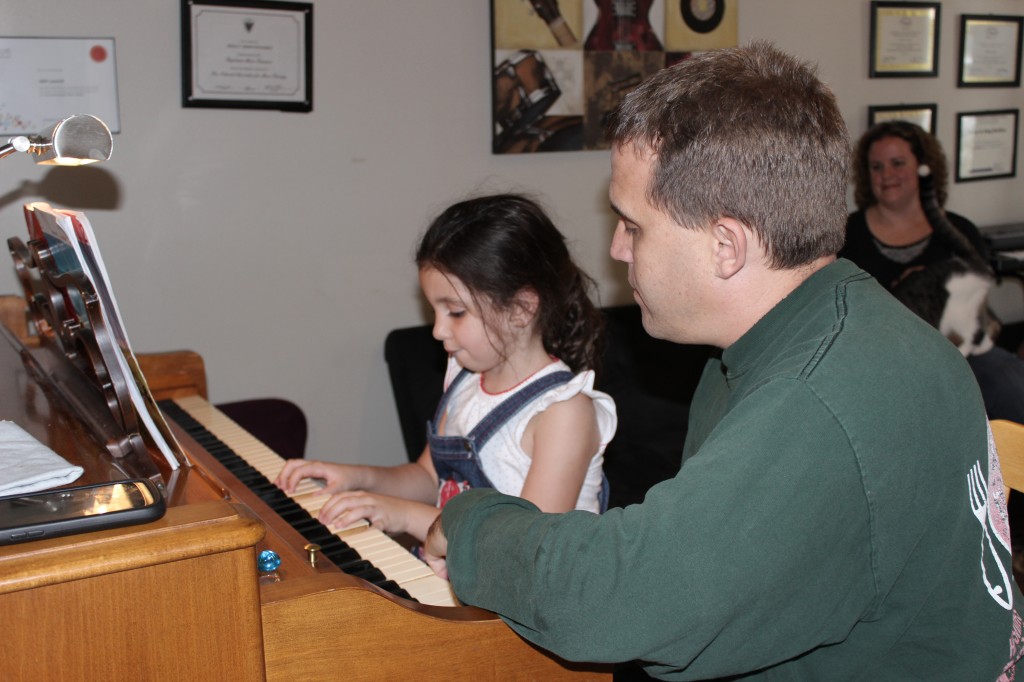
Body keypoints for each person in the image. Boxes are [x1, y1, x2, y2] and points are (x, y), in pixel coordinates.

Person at [424, 43, 1024, 679]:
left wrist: (467, 520)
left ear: (725, 246)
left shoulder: (819, 398)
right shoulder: (796, 338)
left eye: (633, 225)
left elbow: (617, 601)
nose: (617, 249)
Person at [276, 193, 617, 542]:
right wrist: (356, 479)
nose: (438, 330)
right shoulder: (464, 377)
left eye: (455, 312)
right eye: (434, 311)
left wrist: (405, 516)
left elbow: (523, 548)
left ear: (521, 309)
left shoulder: (564, 413)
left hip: (525, 588)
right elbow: (427, 478)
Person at [841, 120, 1024, 424]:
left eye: (897, 163)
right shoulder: (847, 234)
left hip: (963, 350)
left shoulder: (959, 230)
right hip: (885, 359)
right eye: (876, 166)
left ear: (923, 166)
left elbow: (976, 307)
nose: (887, 175)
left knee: (1010, 385)